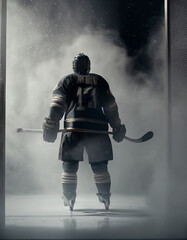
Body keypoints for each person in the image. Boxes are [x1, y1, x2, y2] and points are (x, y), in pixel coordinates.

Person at [42, 53, 126, 211]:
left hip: (74, 129)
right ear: (89, 66)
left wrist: (52, 122)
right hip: (98, 129)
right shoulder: (100, 81)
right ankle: (105, 196)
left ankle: (69, 196)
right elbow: (111, 107)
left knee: (69, 165)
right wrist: (116, 126)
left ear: (74, 66)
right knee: (100, 166)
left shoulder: (67, 80)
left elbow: (57, 105)